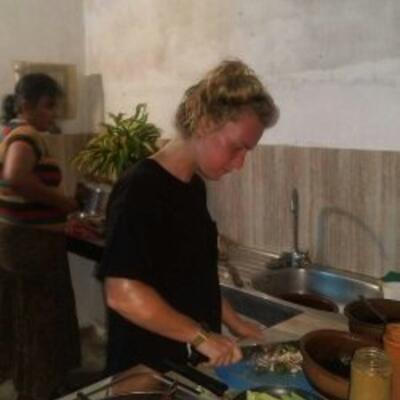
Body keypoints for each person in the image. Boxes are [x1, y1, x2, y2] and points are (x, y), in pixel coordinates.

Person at [98, 59, 279, 375]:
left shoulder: (193, 187)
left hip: (186, 364)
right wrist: (202, 337)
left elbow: (197, 275)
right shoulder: (140, 188)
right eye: (236, 148)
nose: (240, 164)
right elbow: (121, 293)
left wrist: (235, 322)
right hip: (147, 367)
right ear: (205, 123)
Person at [0, 73, 81, 400]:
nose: (53, 114)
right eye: (48, 106)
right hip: (32, 245)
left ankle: (29, 383)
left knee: (25, 316)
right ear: (25, 105)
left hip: (15, 240)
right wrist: (62, 202)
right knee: (42, 318)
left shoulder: (8, 132)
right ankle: (41, 388)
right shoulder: (26, 135)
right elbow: (15, 176)